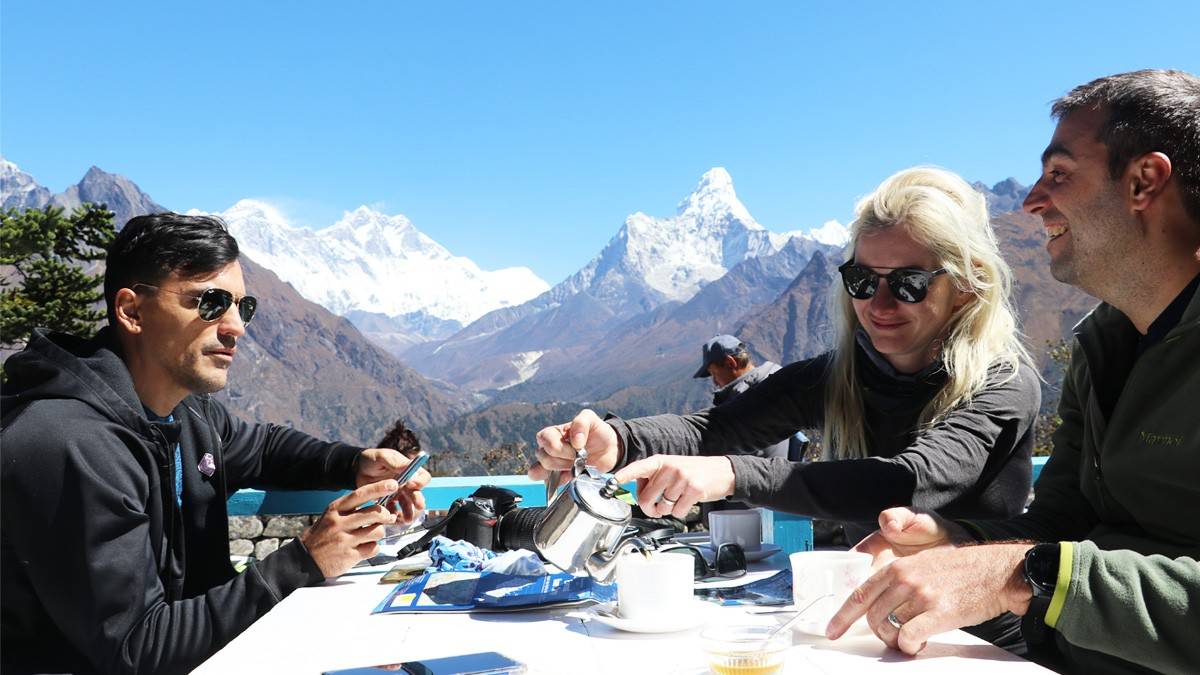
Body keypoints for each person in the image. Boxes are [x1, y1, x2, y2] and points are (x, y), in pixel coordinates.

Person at [529, 166, 1041, 646]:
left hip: (981, 642)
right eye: (863, 281)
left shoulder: (1002, 384)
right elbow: (719, 428)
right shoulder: (840, 375)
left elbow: (906, 484)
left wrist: (731, 475)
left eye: (909, 284)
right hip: (871, 629)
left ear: (968, 286)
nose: (879, 306)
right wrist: (617, 440)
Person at [825, 69, 1200, 674]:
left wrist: (1019, 575)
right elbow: (1061, 525)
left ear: (1143, 181)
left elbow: (1049, 565)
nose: (1032, 200)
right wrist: (954, 543)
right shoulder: (1105, 344)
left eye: (1059, 174)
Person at [1, 213, 430, 675]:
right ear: (131, 311)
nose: (235, 327)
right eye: (210, 303)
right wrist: (303, 561)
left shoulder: (185, 413)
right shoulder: (68, 444)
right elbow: (135, 649)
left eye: (243, 308)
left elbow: (263, 448)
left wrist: (354, 463)